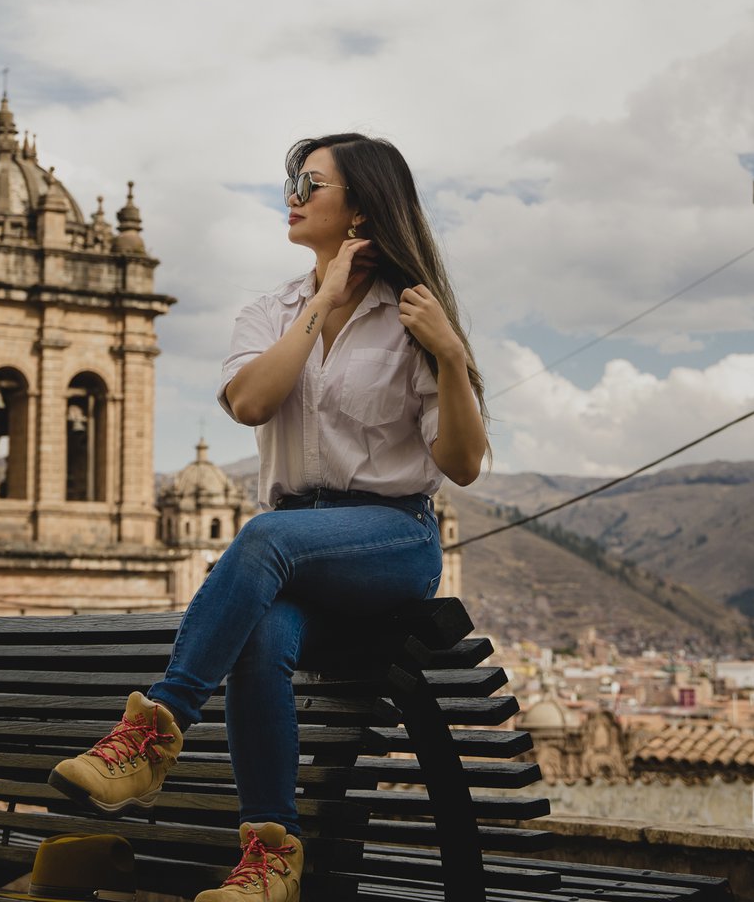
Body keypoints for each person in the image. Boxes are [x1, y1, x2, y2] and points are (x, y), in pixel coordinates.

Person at [50, 132, 489, 902]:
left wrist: (451, 358)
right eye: (292, 182)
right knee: (260, 641)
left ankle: (154, 732)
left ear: (361, 208)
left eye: (310, 184)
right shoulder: (270, 313)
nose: (292, 196)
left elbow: (461, 463)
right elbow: (252, 403)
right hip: (293, 544)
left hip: (390, 538)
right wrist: (321, 303)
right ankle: (270, 859)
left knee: (265, 537)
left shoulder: (414, 316)